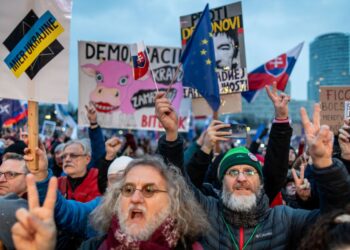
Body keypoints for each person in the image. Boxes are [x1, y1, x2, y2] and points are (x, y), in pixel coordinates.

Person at [155, 91, 350, 249]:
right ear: (221, 182)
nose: (241, 178)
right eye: (232, 172)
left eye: (249, 171)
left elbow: (333, 217)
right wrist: (171, 135)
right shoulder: (204, 213)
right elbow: (175, 184)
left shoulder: (285, 219)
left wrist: (325, 165)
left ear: (261, 181)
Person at [14, 154, 210, 250]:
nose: (135, 198)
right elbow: (68, 212)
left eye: (149, 190)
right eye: (127, 189)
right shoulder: (92, 247)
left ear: (172, 202)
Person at [0, 153, 29, 249]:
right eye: (0, 174)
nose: (1, 179)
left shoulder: (36, 210)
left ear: (28, 179)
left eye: (11, 174)